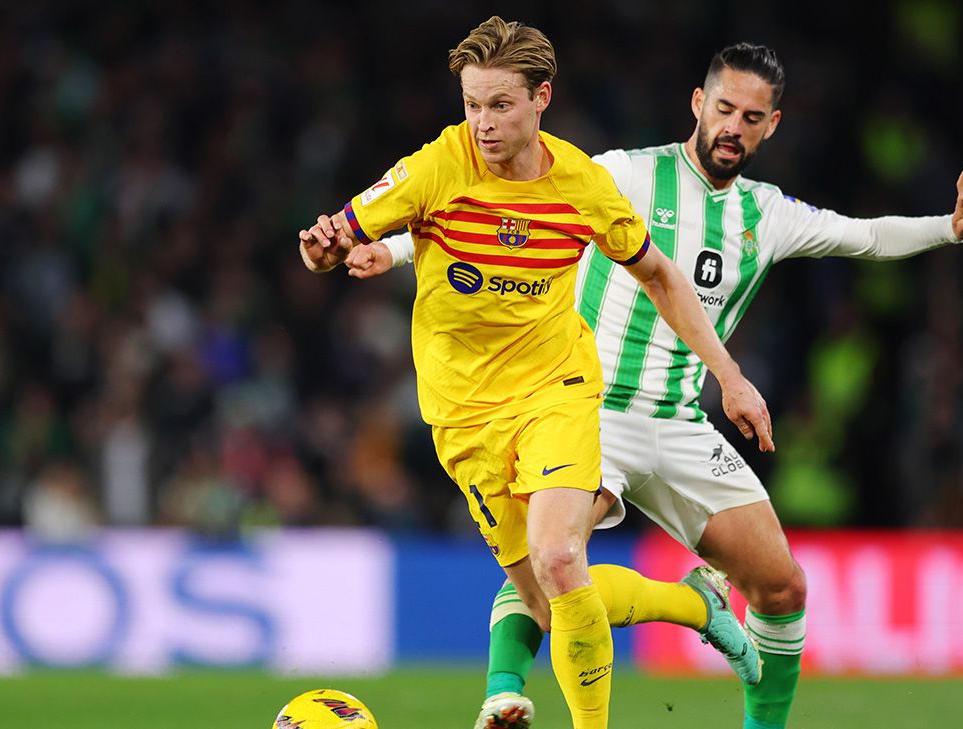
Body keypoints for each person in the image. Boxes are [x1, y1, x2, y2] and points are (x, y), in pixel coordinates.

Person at [351, 42, 963, 729]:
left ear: (771, 125)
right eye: (723, 109)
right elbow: (496, 214)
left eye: (751, 116)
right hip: (582, 406)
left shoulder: (767, 214)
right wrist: (387, 248)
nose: (732, 127)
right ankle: (503, 691)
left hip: (679, 422)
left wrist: (948, 229)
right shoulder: (622, 174)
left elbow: (861, 237)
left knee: (781, 585)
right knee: (551, 559)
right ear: (697, 103)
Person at [299, 19, 772, 729]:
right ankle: (692, 603)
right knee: (553, 606)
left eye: (500, 105)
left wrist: (728, 375)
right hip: (462, 414)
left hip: (558, 390)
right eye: (471, 105)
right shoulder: (434, 167)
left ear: (541, 97)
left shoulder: (581, 183)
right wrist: (325, 248)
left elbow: (659, 274)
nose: (482, 124)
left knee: (558, 554)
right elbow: (333, 238)